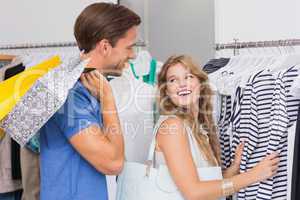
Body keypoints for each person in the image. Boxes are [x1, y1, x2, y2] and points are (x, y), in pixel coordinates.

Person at [39, 3, 141, 200]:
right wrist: (108, 101)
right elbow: (113, 163)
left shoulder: (89, 88)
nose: (134, 54)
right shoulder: (70, 96)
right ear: (104, 47)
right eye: (129, 47)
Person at [151, 55, 280, 199]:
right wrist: (253, 175)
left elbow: (208, 187)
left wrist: (234, 168)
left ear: (201, 84)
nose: (182, 84)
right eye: (173, 80)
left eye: (188, 77)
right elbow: (194, 193)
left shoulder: (198, 128)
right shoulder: (172, 127)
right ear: (166, 91)